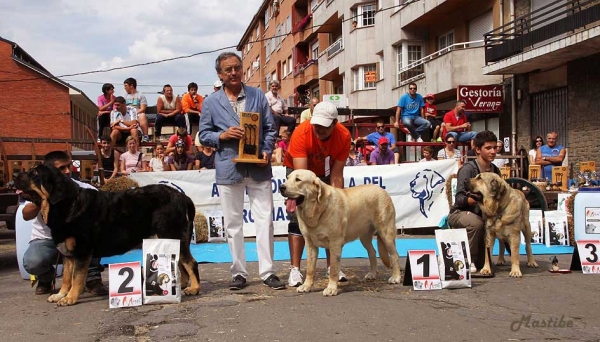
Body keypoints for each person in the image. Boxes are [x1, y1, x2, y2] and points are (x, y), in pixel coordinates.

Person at [199, 51, 284, 290]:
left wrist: (267, 149)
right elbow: (203, 135)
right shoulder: (210, 102)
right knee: (233, 224)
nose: (234, 73)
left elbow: (269, 128)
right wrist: (222, 135)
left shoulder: (258, 95)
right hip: (229, 168)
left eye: (237, 68)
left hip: (258, 167)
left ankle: (268, 272)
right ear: (219, 74)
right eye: (228, 70)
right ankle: (238, 273)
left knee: (265, 220)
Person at [283, 101, 352, 287]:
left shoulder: (344, 136)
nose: (319, 129)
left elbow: (337, 174)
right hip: (299, 173)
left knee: (332, 218)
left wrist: (338, 200)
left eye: (324, 125)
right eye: (316, 124)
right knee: (298, 217)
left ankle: (333, 267)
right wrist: (303, 200)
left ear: (335, 123)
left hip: (325, 173)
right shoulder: (302, 132)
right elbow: (301, 176)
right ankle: (295, 269)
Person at [22, 151, 108, 296]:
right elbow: (26, 215)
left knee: (92, 237)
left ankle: (92, 278)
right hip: (47, 239)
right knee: (33, 262)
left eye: (68, 166)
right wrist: (42, 199)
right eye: (62, 168)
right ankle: (46, 278)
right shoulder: (38, 189)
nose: (67, 171)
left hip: (76, 239)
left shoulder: (86, 189)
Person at [447, 130, 501, 274]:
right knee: (477, 223)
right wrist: (476, 199)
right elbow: (459, 199)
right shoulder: (468, 169)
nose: (493, 151)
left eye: (495, 148)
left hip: (485, 215)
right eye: (488, 148)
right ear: (477, 149)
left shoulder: (496, 171)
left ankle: (492, 257)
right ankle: (466, 260)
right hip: (460, 213)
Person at [123, 77, 150, 142]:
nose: (124, 88)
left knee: (142, 115)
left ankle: (145, 136)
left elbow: (143, 108)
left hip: (137, 113)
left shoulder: (140, 95)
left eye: (126, 86)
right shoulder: (125, 96)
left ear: (131, 85)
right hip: (127, 114)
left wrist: (134, 113)